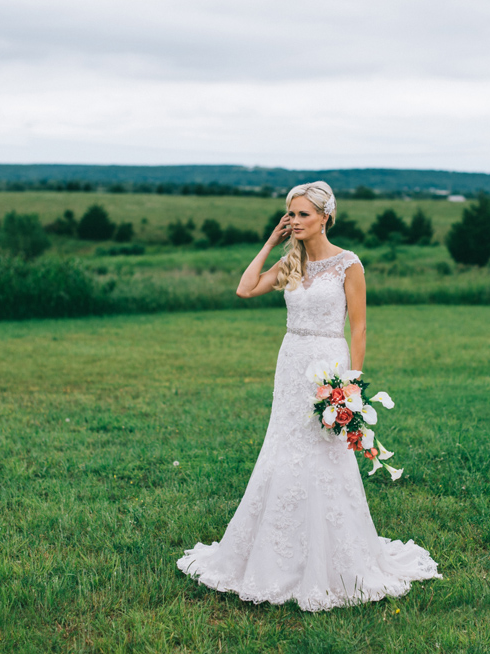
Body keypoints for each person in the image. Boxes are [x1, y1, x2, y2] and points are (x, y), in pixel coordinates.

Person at [177, 181, 441, 611]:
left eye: (302, 215)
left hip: (328, 363)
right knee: (283, 447)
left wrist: (351, 384)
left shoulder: (348, 264)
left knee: (325, 453)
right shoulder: (291, 263)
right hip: (291, 362)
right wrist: (271, 241)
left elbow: (358, 328)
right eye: (290, 214)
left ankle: (333, 556)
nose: (294, 221)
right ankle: (276, 550)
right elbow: (245, 289)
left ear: (325, 217)